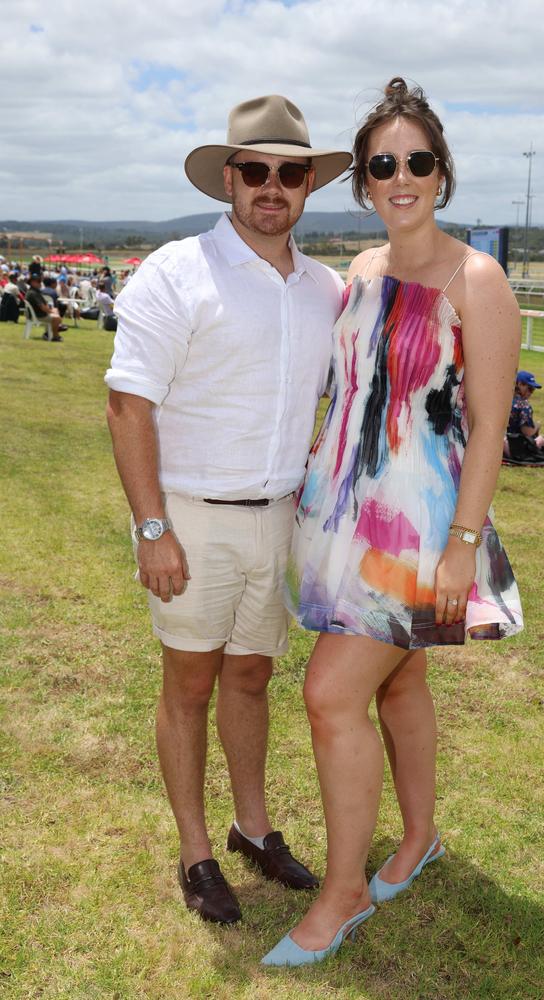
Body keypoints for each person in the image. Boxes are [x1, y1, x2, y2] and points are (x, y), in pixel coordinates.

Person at [261, 78, 524, 968]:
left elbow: (489, 426)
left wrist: (461, 547)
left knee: (331, 694)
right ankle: (418, 841)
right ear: (364, 184)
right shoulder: (362, 274)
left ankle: (341, 897)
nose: (400, 176)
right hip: (343, 517)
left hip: (420, 530)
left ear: (439, 174)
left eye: (417, 161)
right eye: (383, 164)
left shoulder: (476, 279)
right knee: (398, 686)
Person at [105, 94, 352, 927]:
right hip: (191, 516)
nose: (271, 187)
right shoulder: (176, 272)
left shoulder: (326, 289)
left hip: (278, 515)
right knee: (190, 686)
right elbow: (128, 406)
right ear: (229, 179)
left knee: (253, 676)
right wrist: (151, 527)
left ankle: (253, 829)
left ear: (310, 183)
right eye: (256, 171)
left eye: (289, 172)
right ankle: (195, 850)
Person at [505, 370, 544, 455]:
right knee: (543, 441)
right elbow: (527, 432)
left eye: (532, 390)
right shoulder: (523, 405)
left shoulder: (502, 398)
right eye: (530, 389)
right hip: (514, 447)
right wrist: (537, 426)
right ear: (519, 384)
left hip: (497, 443)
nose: (531, 393)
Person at [25, 275, 67, 340]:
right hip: (39, 315)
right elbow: (42, 307)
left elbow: (44, 304)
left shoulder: (33, 291)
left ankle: (50, 332)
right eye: (38, 282)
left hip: (37, 314)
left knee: (56, 311)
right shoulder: (33, 293)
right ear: (32, 282)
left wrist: (52, 310)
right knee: (57, 318)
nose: (40, 283)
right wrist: (51, 311)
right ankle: (55, 336)